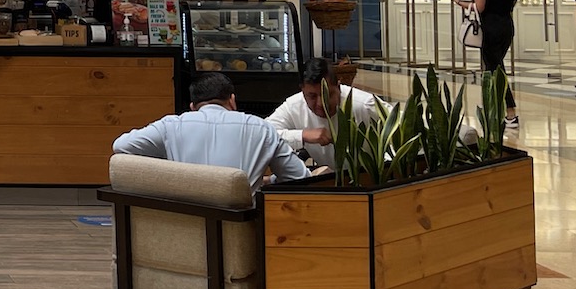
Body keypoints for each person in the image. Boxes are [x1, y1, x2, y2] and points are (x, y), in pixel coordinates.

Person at [113, 73, 311, 191]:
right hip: (242, 230)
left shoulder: (171, 126)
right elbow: (299, 179)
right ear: (232, 100)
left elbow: (121, 146)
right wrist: (266, 180)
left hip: (184, 223)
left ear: (193, 106)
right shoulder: (262, 128)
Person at [267, 60, 383, 170]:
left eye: (327, 94)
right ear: (302, 91)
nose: (320, 104)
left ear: (338, 86)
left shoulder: (365, 104)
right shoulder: (294, 106)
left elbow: (398, 124)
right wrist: (303, 135)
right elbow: (263, 135)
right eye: (312, 96)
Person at [468, 0, 522, 129]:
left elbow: (479, 7)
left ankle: (510, 111)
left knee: (496, 70)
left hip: (489, 27)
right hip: (506, 26)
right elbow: (511, 3)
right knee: (495, 67)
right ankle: (495, 109)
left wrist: (459, 2)